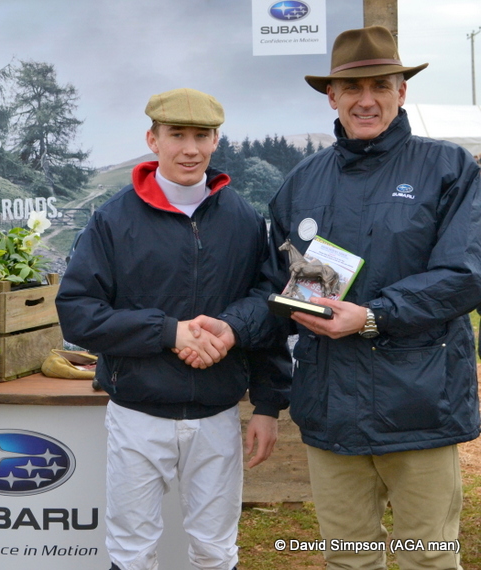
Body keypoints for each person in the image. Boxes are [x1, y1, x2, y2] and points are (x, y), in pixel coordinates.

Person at [181, 26, 481, 570]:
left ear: (401, 92)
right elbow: (276, 289)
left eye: (381, 86)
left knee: (428, 559)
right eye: (353, 88)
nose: (367, 100)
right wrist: (233, 326)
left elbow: (465, 274)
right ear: (332, 97)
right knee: (348, 559)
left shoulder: (448, 169)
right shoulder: (301, 183)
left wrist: (373, 316)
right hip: (331, 410)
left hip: (419, 405)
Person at [56, 88, 291, 570]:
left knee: (215, 550)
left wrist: (266, 400)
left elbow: (270, 307)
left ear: (216, 141)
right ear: (153, 139)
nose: (190, 149)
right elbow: (78, 312)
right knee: (132, 551)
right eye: (176, 135)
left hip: (216, 414)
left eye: (201, 136)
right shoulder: (112, 219)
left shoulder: (245, 219)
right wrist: (169, 333)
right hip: (137, 414)